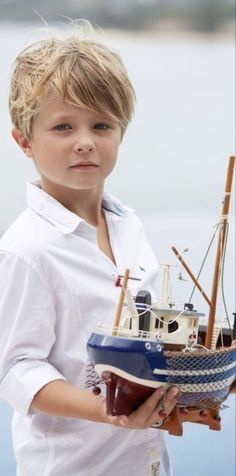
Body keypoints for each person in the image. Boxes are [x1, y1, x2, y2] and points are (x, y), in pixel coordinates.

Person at [0, 21, 179, 476]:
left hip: (148, 463)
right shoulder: (26, 250)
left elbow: (151, 330)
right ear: (24, 140)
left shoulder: (130, 227)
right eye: (62, 126)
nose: (85, 141)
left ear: (121, 133)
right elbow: (16, 370)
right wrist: (106, 410)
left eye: (102, 124)